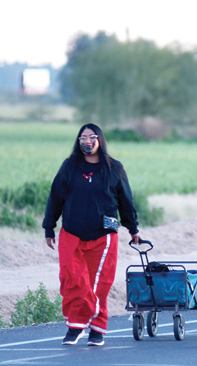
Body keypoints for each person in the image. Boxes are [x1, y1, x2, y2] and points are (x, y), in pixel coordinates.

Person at [43, 124, 141, 347]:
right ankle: (77, 325)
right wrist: (49, 226)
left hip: (103, 235)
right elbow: (55, 197)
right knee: (72, 279)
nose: (87, 141)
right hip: (72, 233)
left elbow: (126, 200)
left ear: (100, 140)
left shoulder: (114, 168)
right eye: (82, 137)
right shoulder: (69, 167)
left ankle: (94, 330)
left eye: (91, 136)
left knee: (98, 285)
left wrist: (132, 228)